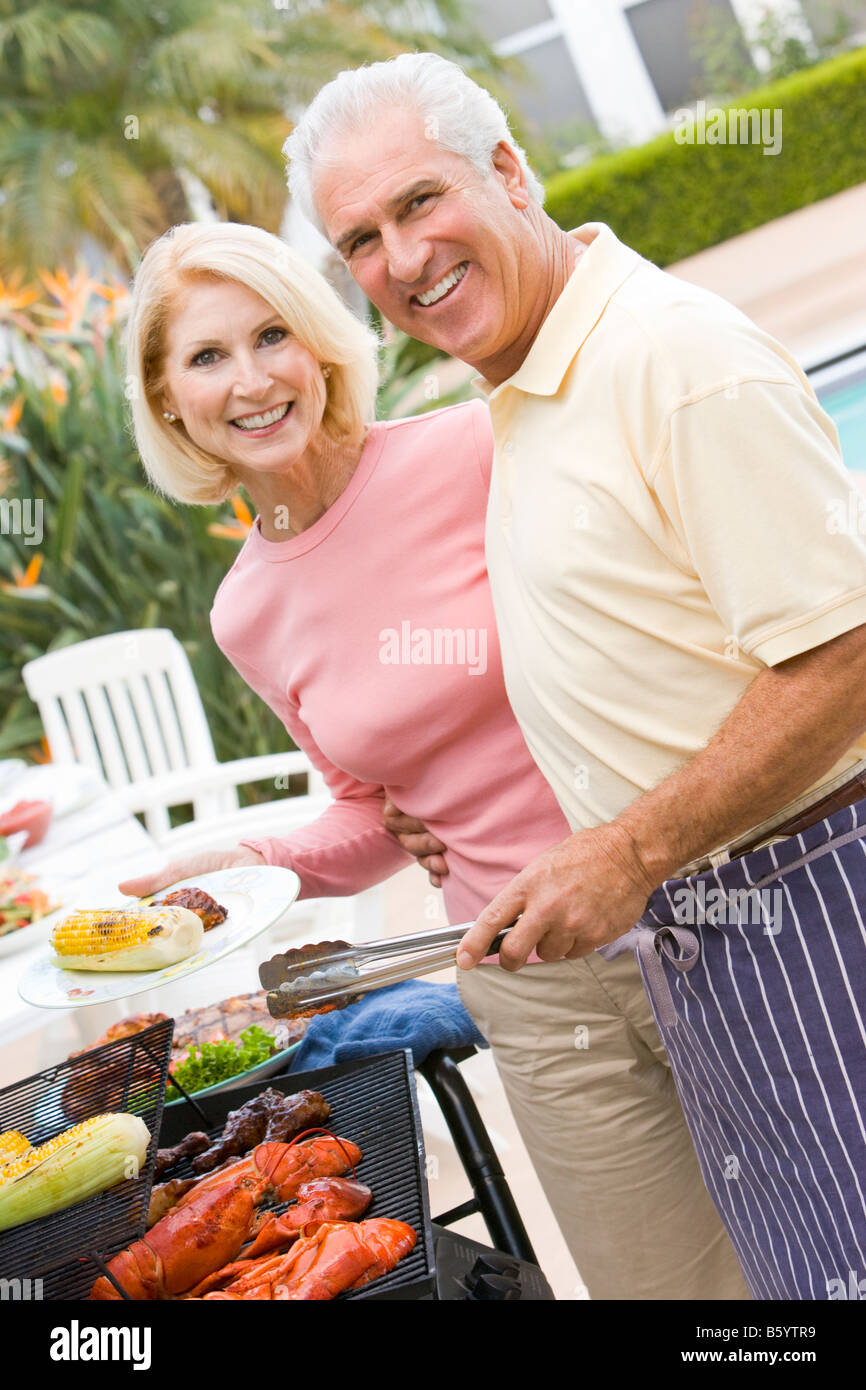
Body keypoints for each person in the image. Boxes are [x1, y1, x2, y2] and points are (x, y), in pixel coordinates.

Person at [288, 51, 866, 1299]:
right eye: (360, 241)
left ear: (508, 169)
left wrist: (628, 850)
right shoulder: (525, 385)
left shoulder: (667, 356)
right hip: (703, 928)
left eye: (418, 201)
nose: (399, 257)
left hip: (816, 903)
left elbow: (844, 651)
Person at [119, 219, 745, 1300]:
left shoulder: (473, 448)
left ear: (319, 346)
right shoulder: (246, 611)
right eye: (208, 356)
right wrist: (241, 859)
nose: (254, 379)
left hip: (697, 909)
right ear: (169, 398)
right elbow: (372, 815)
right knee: (665, 1293)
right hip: (526, 975)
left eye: (272, 335)